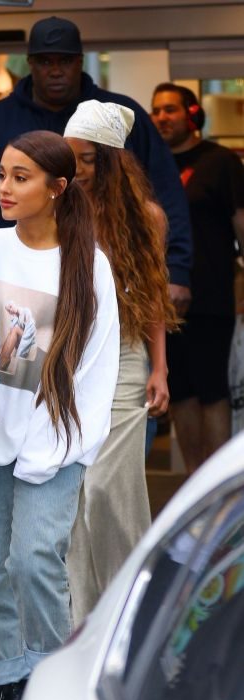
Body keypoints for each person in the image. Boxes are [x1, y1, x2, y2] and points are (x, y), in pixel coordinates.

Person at [0, 130, 120, 700]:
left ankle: (52, 689)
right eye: (1, 176)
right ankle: (14, 691)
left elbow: (96, 373)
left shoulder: (89, 264)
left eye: (20, 177)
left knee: (34, 561)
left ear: (57, 187)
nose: (4, 189)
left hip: (55, 441)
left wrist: (54, 448)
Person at [0, 16, 192, 317]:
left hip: (112, 281)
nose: (55, 70)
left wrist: (177, 268)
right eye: (45, 61)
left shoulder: (118, 116)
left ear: (80, 61)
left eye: (65, 61)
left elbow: (165, 190)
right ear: (30, 63)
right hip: (13, 281)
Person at [64, 100, 179, 625]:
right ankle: (87, 622)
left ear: (111, 158)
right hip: (71, 358)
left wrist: (161, 367)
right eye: (71, 157)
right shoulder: (61, 207)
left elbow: (155, 297)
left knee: (114, 486)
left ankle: (136, 608)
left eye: (87, 158)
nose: (77, 167)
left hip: (129, 355)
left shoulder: (147, 217)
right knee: (78, 496)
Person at [151, 83, 244, 473]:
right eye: (156, 110)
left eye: (170, 109)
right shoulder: (151, 165)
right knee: (183, 394)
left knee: (212, 391)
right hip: (163, 304)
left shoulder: (220, 162)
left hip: (212, 297)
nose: (161, 117)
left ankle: (219, 489)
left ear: (192, 116)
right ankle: (192, 483)